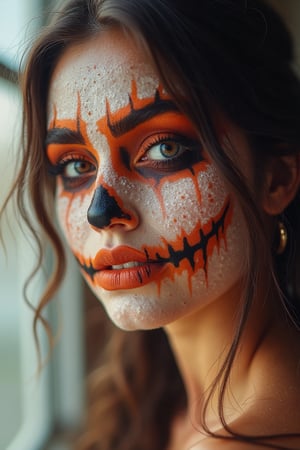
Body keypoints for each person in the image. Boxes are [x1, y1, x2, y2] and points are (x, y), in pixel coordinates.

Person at [2, 0, 300, 448]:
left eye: (163, 149)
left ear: (275, 179)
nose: (100, 212)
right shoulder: (154, 395)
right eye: (75, 165)